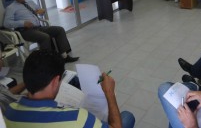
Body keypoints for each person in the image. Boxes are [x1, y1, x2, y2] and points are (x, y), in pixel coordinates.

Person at [4, 50, 135, 128]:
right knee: (127, 117)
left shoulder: (9, 112)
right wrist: (109, 93)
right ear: (55, 81)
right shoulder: (77, 117)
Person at [3, 0, 79, 63]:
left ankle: (64, 57)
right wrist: (22, 23)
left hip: (38, 27)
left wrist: (42, 11)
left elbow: (40, 11)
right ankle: (47, 62)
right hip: (25, 31)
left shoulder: (30, 2)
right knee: (45, 37)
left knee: (59, 30)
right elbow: (6, 23)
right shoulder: (11, 8)